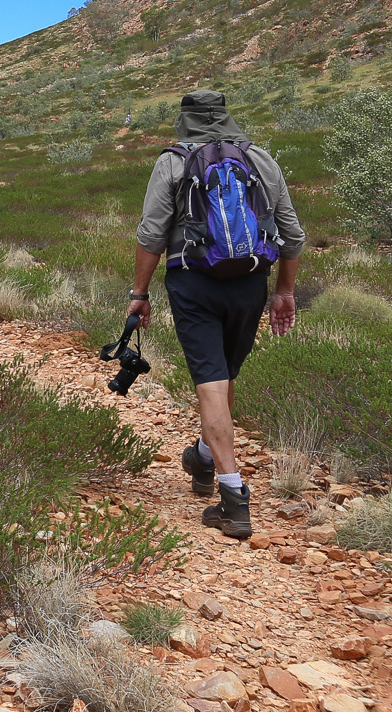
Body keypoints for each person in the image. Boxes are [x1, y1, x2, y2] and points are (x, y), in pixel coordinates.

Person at [128, 90, 304, 539]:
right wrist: (283, 291)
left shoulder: (172, 161)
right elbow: (292, 235)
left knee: (211, 383)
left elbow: (152, 234)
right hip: (249, 282)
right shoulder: (260, 159)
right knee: (224, 377)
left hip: (193, 282)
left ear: (184, 121)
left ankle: (234, 498)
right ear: (228, 117)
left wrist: (139, 293)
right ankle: (204, 460)